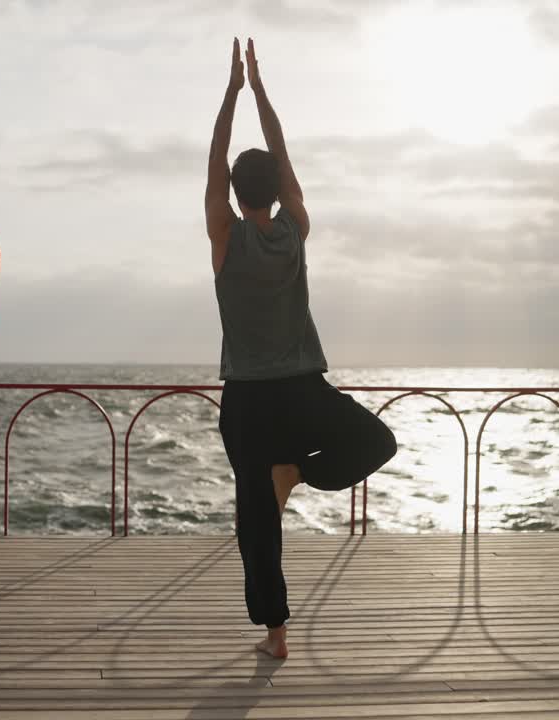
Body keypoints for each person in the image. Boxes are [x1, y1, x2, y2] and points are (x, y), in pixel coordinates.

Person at [206, 39, 398, 659]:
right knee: (378, 442)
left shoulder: (225, 238)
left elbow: (214, 165)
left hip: (248, 401)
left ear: (235, 194)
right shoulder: (295, 231)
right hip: (302, 389)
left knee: (256, 524)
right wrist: (260, 92)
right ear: (279, 191)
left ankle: (277, 633)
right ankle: (300, 474)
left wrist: (230, 94)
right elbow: (283, 160)